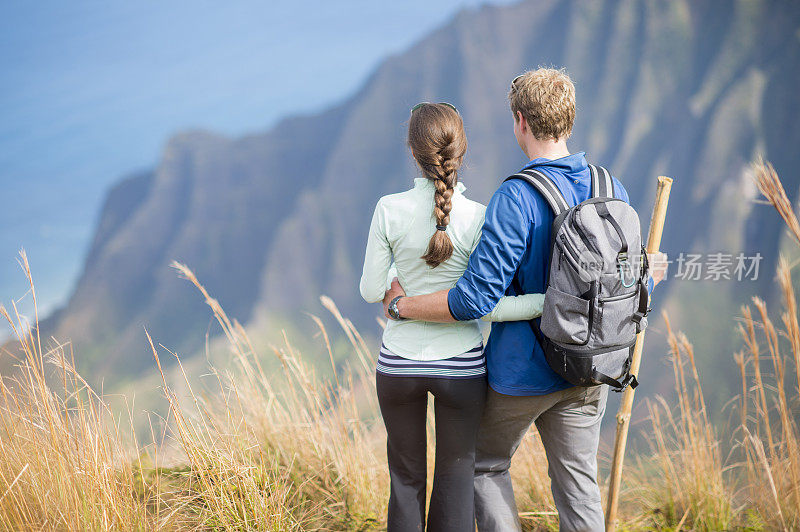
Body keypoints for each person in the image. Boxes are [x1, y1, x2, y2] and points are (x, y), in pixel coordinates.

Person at [382, 69, 667, 531]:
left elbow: (475, 299)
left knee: (483, 464)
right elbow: (631, 287)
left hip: (524, 373)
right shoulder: (611, 188)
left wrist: (402, 306)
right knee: (579, 485)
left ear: (520, 122)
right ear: (569, 121)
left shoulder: (515, 197)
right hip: (592, 366)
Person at [359, 102, 549, 532]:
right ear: (461, 151)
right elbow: (490, 306)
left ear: (413, 150)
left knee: (405, 480)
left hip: (398, 366)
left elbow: (371, 290)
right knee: (457, 477)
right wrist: (543, 302)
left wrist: (395, 282)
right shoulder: (479, 217)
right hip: (461, 370)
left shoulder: (388, 209)